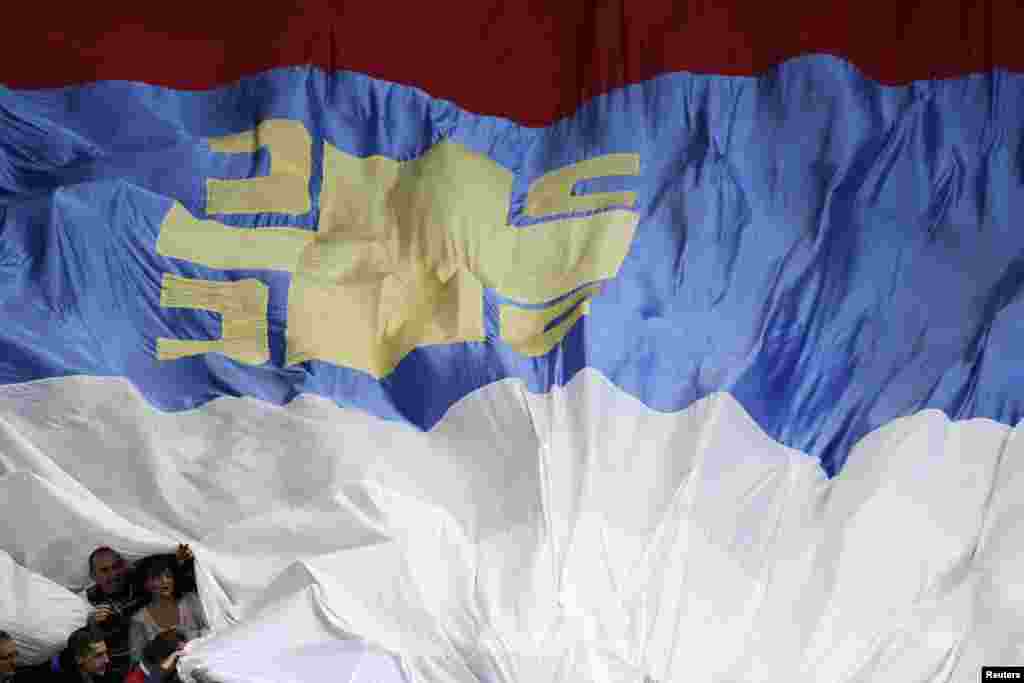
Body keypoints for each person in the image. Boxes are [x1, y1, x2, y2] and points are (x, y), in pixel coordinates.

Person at [85, 546, 194, 682]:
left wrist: (180, 559)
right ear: (93, 576)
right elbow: (89, 653)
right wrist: (93, 624)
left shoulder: (137, 581)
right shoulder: (89, 603)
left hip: (162, 661)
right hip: (122, 673)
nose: (113, 574)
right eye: (105, 570)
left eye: (116, 567)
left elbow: (158, 565)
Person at [128, 557, 207, 667]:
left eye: (168, 575)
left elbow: (212, 629)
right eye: (157, 577)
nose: (165, 580)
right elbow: (137, 661)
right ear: (145, 583)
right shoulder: (139, 621)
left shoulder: (190, 600)